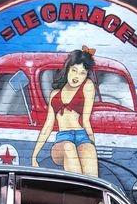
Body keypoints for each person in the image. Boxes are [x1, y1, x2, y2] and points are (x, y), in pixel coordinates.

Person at [31, 47, 99, 177]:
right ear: (68, 69)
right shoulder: (55, 94)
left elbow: (86, 121)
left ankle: (89, 189)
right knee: (69, 147)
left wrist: (92, 144)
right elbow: (48, 125)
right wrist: (34, 155)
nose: (77, 76)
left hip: (82, 136)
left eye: (82, 73)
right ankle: (77, 187)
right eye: (74, 70)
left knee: (89, 150)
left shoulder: (87, 86)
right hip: (63, 138)